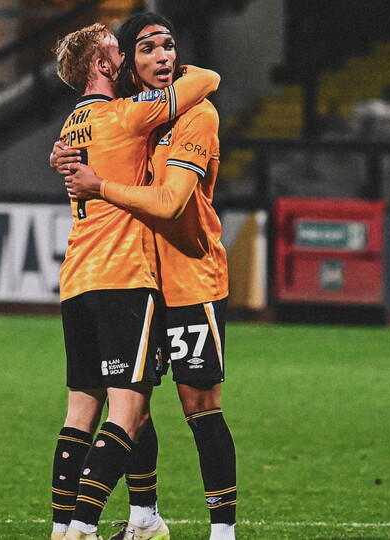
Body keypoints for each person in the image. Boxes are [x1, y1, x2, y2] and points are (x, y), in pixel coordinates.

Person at [52, 12, 237, 540]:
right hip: (142, 277)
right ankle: (143, 519)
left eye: (170, 47)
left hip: (191, 275)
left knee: (198, 403)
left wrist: (94, 183)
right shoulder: (130, 115)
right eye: (148, 50)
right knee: (133, 401)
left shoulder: (194, 115)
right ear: (124, 63)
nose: (164, 58)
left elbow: (174, 200)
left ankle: (222, 532)